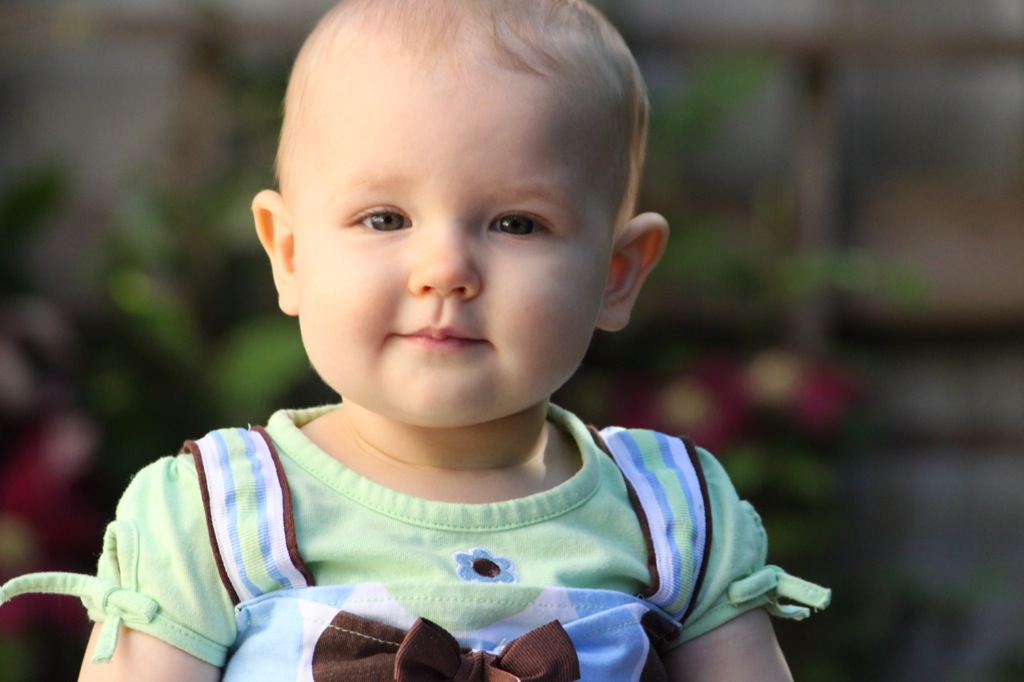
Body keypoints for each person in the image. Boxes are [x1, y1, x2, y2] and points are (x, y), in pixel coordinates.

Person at [0, 1, 830, 680]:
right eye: (384, 218)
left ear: (616, 274)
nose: (445, 270)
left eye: (516, 223)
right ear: (289, 255)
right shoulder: (217, 516)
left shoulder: (671, 518)